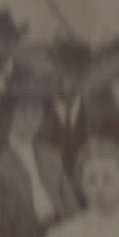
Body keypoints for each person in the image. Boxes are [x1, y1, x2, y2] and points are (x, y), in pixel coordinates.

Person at [0, 74, 78, 233]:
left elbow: (70, 204)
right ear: (10, 114)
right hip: (21, 234)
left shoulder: (51, 155)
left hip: (59, 230)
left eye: (36, 110)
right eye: (23, 110)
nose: (30, 117)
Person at [41, 38, 91, 176]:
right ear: (54, 71)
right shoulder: (36, 115)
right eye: (65, 70)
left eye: (78, 71)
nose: (70, 78)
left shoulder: (96, 115)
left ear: (87, 75)